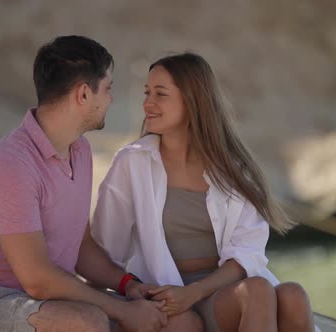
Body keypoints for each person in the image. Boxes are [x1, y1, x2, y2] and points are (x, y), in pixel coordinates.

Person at [0, 36, 203, 332]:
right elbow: (38, 279)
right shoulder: (10, 164)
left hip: (53, 302)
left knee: (181, 322)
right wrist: (121, 310)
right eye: (107, 89)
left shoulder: (80, 150)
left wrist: (129, 286)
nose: (111, 99)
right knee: (87, 322)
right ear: (84, 94)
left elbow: (80, 246)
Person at [92, 53, 318, 332]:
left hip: (218, 292)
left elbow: (247, 253)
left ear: (192, 101)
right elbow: (105, 246)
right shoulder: (132, 162)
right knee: (258, 291)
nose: (147, 103)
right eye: (147, 92)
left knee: (293, 295)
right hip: (165, 295)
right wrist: (124, 295)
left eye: (160, 94)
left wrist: (195, 292)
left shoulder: (233, 169)